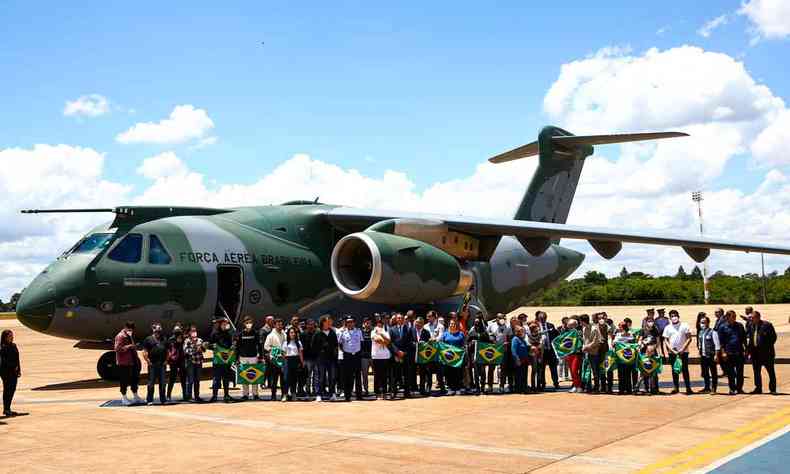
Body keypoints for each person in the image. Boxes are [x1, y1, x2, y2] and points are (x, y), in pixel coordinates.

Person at [662, 310, 692, 395]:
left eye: (675, 315)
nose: (674, 317)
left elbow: (689, 338)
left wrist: (682, 349)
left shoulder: (684, 325)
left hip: (683, 352)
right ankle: (676, 387)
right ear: (670, 318)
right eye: (672, 316)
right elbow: (666, 340)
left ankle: (688, 388)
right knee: (674, 370)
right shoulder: (668, 327)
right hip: (672, 353)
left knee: (685, 369)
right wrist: (671, 350)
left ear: (678, 316)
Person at [747, 311, 777, 394]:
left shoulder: (767, 325)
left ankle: (773, 389)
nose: (751, 319)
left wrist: (765, 347)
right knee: (756, 372)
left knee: (771, 372)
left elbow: (773, 338)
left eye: (752, 318)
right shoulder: (750, 326)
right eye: (750, 318)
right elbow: (750, 340)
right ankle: (758, 388)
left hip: (767, 353)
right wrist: (749, 352)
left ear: (758, 317)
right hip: (755, 354)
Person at [717, 310, 746, 395]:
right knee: (731, 373)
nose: (734, 318)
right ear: (727, 317)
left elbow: (744, 338)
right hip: (728, 353)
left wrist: (746, 349)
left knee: (740, 372)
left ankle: (739, 388)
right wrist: (723, 352)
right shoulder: (722, 327)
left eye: (735, 316)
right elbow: (721, 342)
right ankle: (732, 389)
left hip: (739, 352)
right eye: (732, 316)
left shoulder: (740, 326)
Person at [114, 321, 143, 406]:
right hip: (124, 362)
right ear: (125, 328)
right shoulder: (120, 336)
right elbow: (117, 348)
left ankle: (135, 396)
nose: (131, 331)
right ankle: (124, 397)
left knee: (135, 379)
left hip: (133, 361)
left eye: (132, 329)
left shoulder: (129, 335)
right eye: (129, 329)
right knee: (124, 380)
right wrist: (128, 346)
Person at [235, 316, 262, 400]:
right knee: (244, 376)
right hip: (243, 358)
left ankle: (255, 394)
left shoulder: (255, 333)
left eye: (250, 323)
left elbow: (259, 345)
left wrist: (261, 356)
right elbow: (238, 347)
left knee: (255, 375)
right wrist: (237, 358)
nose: (248, 324)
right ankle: (245, 394)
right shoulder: (241, 334)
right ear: (244, 324)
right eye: (247, 323)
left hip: (253, 357)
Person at [312, 315, 338, 401]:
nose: (330, 322)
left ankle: (332, 394)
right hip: (321, 359)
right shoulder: (317, 333)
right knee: (321, 377)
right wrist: (319, 354)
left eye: (330, 321)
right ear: (323, 322)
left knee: (332, 377)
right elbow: (313, 346)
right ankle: (319, 394)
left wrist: (335, 355)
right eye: (328, 321)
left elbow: (335, 345)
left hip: (331, 359)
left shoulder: (332, 332)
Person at [210, 318, 235, 402]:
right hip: (217, 360)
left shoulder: (228, 334)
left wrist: (232, 346)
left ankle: (226, 395)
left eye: (226, 324)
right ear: (220, 325)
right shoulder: (215, 333)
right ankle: (214, 396)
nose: (225, 326)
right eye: (223, 324)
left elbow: (230, 344)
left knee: (226, 378)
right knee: (216, 378)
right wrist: (212, 346)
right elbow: (210, 344)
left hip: (226, 360)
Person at [338, 316, 363, 401]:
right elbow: (340, 344)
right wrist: (346, 351)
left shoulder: (359, 331)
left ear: (354, 322)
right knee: (347, 376)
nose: (350, 323)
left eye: (351, 321)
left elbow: (361, 342)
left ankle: (359, 395)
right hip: (347, 356)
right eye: (348, 322)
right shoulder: (342, 332)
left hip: (357, 355)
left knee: (358, 376)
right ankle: (347, 395)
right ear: (346, 323)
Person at [143, 322, 168, 405]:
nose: (158, 333)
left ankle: (163, 399)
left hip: (162, 364)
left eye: (159, 331)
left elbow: (167, 351)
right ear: (153, 330)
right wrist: (148, 361)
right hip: (152, 364)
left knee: (163, 383)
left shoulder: (164, 339)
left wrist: (166, 360)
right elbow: (145, 351)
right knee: (151, 383)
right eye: (156, 331)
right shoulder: (148, 339)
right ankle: (150, 400)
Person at [440, 319, 465, 395]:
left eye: (454, 324)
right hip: (448, 357)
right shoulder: (445, 334)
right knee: (449, 372)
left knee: (457, 373)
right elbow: (442, 344)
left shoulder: (461, 334)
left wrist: (462, 349)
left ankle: (457, 388)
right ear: (449, 325)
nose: (452, 325)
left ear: (456, 325)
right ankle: (450, 388)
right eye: (451, 324)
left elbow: (464, 344)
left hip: (458, 358)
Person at [696, 315, 720, 394]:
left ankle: (714, 388)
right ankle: (707, 387)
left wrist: (716, 355)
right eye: (701, 322)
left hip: (711, 355)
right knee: (705, 372)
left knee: (713, 373)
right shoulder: (700, 332)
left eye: (704, 322)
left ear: (708, 323)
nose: (702, 324)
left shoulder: (713, 332)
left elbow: (717, 345)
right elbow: (700, 343)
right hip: (703, 355)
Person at [264, 318, 287, 401]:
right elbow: (266, 346)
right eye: (278, 324)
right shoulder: (270, 335)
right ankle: (273, 395)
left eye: (281, 324)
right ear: (275, 325)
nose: (280, 326)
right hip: (275, 359)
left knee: (283, 378)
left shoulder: (284, 334)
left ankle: (283, 395)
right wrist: (275, 351)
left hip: (283, 358)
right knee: (274, 378)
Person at [536, 311, 560, 389]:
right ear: (538, 318)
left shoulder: (551, 325)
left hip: (551, 350)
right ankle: (542, 384)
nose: (543, 319)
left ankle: (556, 383)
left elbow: (556, 336)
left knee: (553, 368)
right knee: (541, 368)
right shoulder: (536, 326)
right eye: (541, 318)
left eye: (544, 318)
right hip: (541, 351)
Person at [1, 329, 21, 416]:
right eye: (9, 336)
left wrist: (19, 369)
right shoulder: (2, 347)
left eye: (12, 335)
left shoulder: (13, 345)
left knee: (12, 390)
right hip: (6, 372)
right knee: (7, 390)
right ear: (5, 337)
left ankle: (8, 408)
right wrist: (13, 366)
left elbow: (17, 358)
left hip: (14, 372)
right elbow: (3, 361)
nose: (12, 337)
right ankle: (6, 409)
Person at [183, 326, 206, 402]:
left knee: (197, 380)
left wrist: (203, 347)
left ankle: (197, 396)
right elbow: (186, 351)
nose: (194, 332)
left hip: (199, 362)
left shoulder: (200, 340)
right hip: (191, 363)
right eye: (192, 331)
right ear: (189, 332)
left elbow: (204, 350)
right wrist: (196, 348)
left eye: (195, 331)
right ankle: (189, 396)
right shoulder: (187, 341)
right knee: (190, 380)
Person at [581, 314, 602, 393]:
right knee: (586, 370)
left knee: (595, 371)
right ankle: (588, 387)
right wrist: (584, 346)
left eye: (581, 321)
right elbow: (584, 339)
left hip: (594, 353)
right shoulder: (584, 329)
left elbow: (596, 341)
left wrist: (587, 347)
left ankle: (596, 388)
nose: (580, 323)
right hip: (586, 352)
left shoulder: (594, 329)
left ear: (583, 321)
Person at [371, 316, 392, 399]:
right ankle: (377, 393)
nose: (379, 326)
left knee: (384, 375)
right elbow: (376, 340)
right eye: (378, 324)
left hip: (385, 356)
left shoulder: (385, 332)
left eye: (381, 324)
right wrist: (384, 341)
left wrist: (381, 334)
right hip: (376, 356)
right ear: (376, 325)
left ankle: (384, 392)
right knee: (377, 375)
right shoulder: (373, 332)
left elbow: (388, 341)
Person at [165, 324, 187, 401]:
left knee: (183, 378)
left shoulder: (184, 338)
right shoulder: (171, 339)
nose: (178, 333)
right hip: (173, 361)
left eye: (179, 331)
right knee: (172, 378)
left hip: (182, 360)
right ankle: (168, 395)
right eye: (176, 331)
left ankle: (185, 395)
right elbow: (169, 349)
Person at [282, 327, 304, 401]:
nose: (293, 334)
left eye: (294, 332)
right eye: (291, 332)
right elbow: (283, 354)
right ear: (288, 334)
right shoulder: (285, 343)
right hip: (288, 360)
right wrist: (283, 363)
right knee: (286, 378)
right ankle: (285, 394)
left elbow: (300, 353)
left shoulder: (298, 343)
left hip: (296, 360)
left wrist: (302, 362)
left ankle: (293, 394)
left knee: (294, 378)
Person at [613, 322, 635, 395]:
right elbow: (614, 343)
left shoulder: (630, 335)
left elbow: (633, 344)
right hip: (620, 357)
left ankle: (629, 390)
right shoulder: (618, 335)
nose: (620, 328)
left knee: (628, 374)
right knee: (621, 374)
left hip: (628, 356)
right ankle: (621, 390)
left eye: (621, 327)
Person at [412, 317, 432, 395]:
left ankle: (422, 389)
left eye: (420, 323)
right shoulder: (411, 331)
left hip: (423, 357)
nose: (418, 324)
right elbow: (408, 341)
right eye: (417, 322)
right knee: (413, 372)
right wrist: (415, 344)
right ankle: (413, 388)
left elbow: (429, 344)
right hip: (413, 355)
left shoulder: (426, 332)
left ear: (423, 324)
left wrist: (425, 343)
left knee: (422, 373)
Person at [301, 319, 318, 397]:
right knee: (307, 376)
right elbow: (301, 348)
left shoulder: (317, 333)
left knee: (316, 376)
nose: (311, 326)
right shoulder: (303, 334)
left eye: (312, 324)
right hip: (307, 358)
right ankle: (308, 391)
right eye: (309, 324)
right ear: (306, 325)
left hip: (316, 358)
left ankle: (315, 391)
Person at [510, 326, 530, 394]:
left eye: (523, 331)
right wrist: (517, 360)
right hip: (519, 360)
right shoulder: (515, 339)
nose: (522, 332)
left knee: (524, 375)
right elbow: (513, 351)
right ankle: (519, 389)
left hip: (525, 360)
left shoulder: (522, 339)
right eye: (521, 331)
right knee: (519, 375)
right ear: (517, 332)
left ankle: (524, 388)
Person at [527, 322, 544, 392]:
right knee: (534, 370)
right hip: (532, 354)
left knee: (540, 370)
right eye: (535, 328)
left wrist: (541, 356)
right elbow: (529, 344)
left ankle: (539, 385)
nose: (537, 329)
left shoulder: (540, 334)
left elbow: (541, 344)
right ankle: (533, 386)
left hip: (540, 353)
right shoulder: (528, 335)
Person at [360, 317, 373, 396]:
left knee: (376, 373)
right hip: (364, 356)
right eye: (366, 323)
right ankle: (365, 390)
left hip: (373, 356)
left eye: (369, 322)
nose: (367, 324)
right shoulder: (360, 332)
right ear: (363, 324)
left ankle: (377, 390)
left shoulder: (374, 332)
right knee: (364, 375)